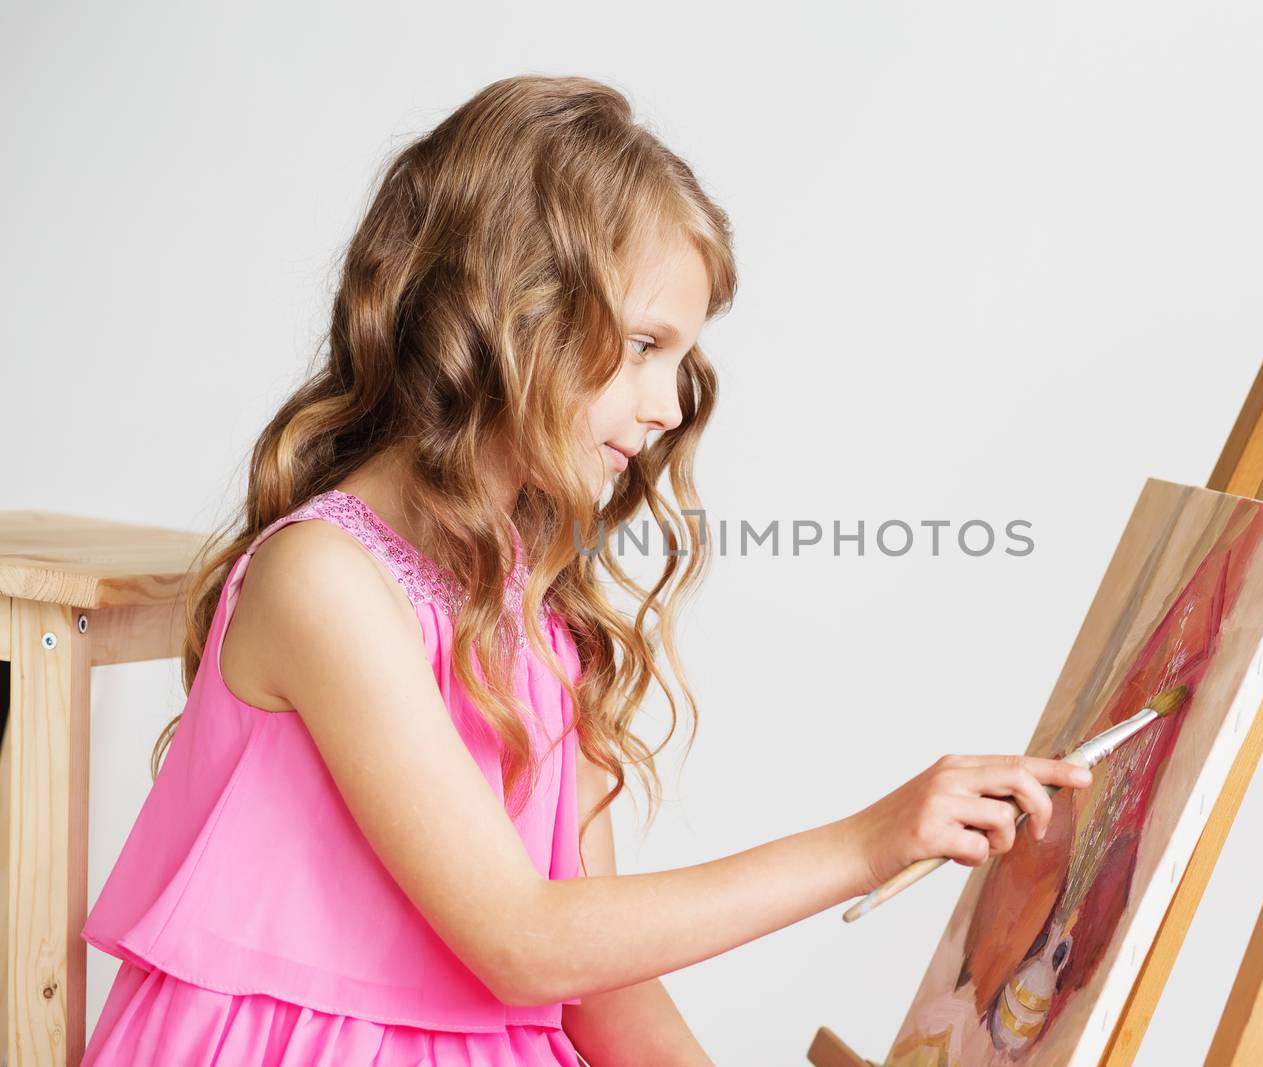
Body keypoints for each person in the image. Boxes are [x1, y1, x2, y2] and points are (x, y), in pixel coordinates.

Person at [78, 74, 1096, 1066]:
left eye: (680, 361)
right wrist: (869, 840)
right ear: (504, 311)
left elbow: (602, 990)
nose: (664, 407)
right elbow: (523, 941)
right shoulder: (324, 580)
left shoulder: (535, 607)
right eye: (644, 345)